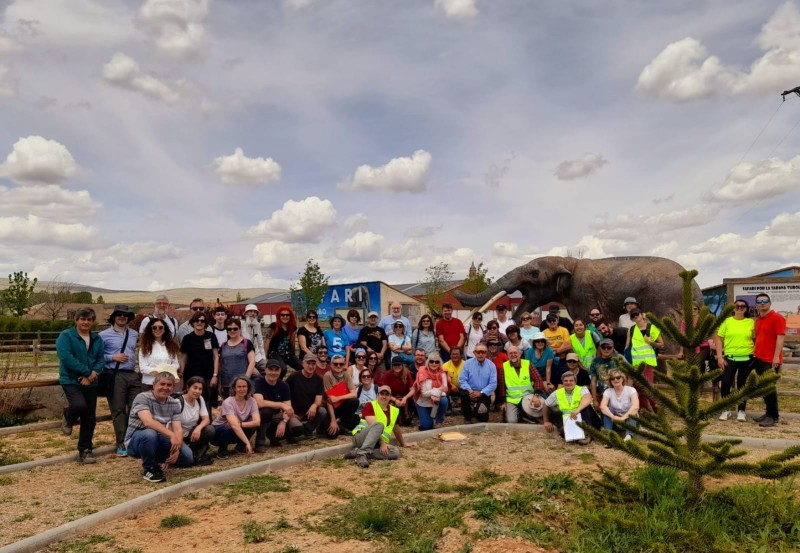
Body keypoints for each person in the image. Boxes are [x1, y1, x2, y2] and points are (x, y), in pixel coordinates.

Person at [125, 369, 192, 482]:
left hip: (159, 438)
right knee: (149, 434)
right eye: (162, 384)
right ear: (154, 385)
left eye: (169, 385)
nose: (165, 388)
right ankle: (149, 468)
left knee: (187, 457)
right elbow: (148, 422)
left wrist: (176, 449)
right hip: (136, 440)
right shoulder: (142, 397)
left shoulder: (174, 403)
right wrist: (172, 435)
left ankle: (160, 460)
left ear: (173, 387)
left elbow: (178, 429)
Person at [57, 307, 104, 464]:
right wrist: (86, 373)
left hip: (91, 381)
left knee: (89, 417)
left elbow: (100, 360)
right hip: (71, 380)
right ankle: (67, 415)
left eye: (89, 319)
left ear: (92, 321)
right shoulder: (66, 336)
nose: (86, 322)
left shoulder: (97, 339)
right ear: (76, 320)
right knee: (78, 405)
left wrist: (92, 375)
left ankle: (85, 450)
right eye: (83, 319)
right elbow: (66, 357)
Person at [99, 305, 140, 457]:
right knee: (118, 410)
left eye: (125, 315)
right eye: (119, 314)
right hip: (115, 374)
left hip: (132, 374)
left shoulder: (134, 334)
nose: (122, 317)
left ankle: (133, 439)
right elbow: (96, 356)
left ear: (129, 318)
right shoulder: (103, 335)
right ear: (114, 317)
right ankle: (121, 441)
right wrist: (112, 357)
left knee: (136, 408)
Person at [344, 385, 408, 468]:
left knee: (395, 452)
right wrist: (382, 442)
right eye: (382, 394)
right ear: (377, 395)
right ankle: (361, 454)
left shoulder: (394, 410)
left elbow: (396, 429)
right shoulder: (370, 405)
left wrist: (403, 443)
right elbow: (373, 426)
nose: (384, 396)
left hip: (376, 443)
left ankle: (359, 453)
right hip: (361, 438)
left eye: (386, 394)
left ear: (390, 397)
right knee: (379, 425)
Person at [715, 299, 755, 422]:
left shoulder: (751, 322)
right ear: (733, 308)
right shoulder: (727, 322)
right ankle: (726, 409)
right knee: (726, 383)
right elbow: (719, 339)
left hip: (747, 357)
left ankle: (741, 410)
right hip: (730, 358)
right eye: (737, 306)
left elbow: (756, 338)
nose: (739, 308)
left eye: (742, 306)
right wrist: (720, 357)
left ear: (746, 309)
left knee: (742, 385)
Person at [752, 293, 785, 428]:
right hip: (759, 358)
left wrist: (776, 357)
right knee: (763, 388)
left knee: (769, 388)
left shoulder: (777, 318)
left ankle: (773, 416)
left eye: (765, 301)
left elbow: (780, 338)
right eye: (759, 301)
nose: (762, 303)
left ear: (770, 303)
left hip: (771, 360)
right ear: (756, 305)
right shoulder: (758, 320)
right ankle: (768, 413)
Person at [253, 358, 299, 451]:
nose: (273, 373)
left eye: (276, 370)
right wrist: (281, 405)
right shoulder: (258, 382)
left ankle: (276, 437)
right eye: (270, 369)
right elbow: (260, 403)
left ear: (280, 371)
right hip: (262, 416)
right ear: (265, 370)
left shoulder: (284, 385)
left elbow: (289, 408)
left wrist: (284, 422)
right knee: (266, 411)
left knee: (297, 429)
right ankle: (259, 443)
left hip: (278, 416)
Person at [211, 376, 260, 458]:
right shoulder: (228, 402)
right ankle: (222, 450)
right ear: (234, 388)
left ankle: (240, 447)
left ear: (248, 388)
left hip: (237, 427)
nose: (242, 389)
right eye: (239, 387)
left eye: (244, 386)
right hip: (219, 432)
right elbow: (234, 425)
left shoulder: (252, 401)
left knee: (252, 422)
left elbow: (257, 422)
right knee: (230, 425)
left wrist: (240, 424)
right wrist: (247, 443)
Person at [285, 353, 332, 438]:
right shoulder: (294, 376)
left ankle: (307, 430)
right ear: (303, 364)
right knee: (297, 430)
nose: (311, 366)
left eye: (313, 364)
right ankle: (292, 432)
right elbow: (284, 394)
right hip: (293, 412)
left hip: (309, 412)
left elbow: (318, 399)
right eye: (308, 363)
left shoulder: (319, 379)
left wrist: (314, 406)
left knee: (322, 411)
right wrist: (290, 410)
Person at [179, 311, 220, 408]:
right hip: (191, 375)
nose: (199, 323)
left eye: (202, 321)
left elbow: (216, 357)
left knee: (207, 401)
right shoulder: (187, 338)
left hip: (208, 375)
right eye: (197, 320)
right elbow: (182, 359)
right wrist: (181, 375)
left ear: (206, 323)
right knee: (191, 400)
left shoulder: (211, 336)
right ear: (192, 322)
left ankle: (207, 421)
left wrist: (215, 375)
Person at [542, 371, 593, 445]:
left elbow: (587, 398)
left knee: (586, 408)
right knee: (563, 431)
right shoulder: (557, 393)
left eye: (571, 380)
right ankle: (576, 437)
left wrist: (577, 410)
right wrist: (546, 421)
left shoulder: (582, 389)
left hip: (583, 418)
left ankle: (587, 433)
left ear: (575, 382)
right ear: (562, 382)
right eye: (565, 381)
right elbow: (546, 404)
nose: (568, 382)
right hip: (568, 419)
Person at [498, 346, 546, 423]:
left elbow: (538, 379)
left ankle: (523, 415)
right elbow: (501, 385)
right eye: (510, 353)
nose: (513, 355)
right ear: (507, 355)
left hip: (528, 397)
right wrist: (503, 402)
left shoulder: (528, 363)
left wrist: (536, 396)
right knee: (511, 421)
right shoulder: (504, 366)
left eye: (515, 353)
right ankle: (521, 415)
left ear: (520, 354)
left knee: (536, 415)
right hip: (512, 399)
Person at [179, 376, 215, 465]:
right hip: (179, 436)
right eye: (194, 388)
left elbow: (206, 419)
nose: (197, 391)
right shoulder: (179, 401)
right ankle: (193, 454)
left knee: (210, 430)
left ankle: (194, 451)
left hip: (192, 434)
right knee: (188, 460)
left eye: (200, 389)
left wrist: (198, 428)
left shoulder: (199, 399)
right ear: (187, 387)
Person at [139, 317, 181, 391]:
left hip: (167, 384)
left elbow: (176, 364)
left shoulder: (171, 345)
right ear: (150, 329)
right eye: (154, 327)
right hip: (149, 384)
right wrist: (161, 371)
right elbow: (142, 368)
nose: (157, 329)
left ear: (164, 329)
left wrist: (167, 371)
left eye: (161, 327)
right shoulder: (144, 346)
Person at [458, 345, 497, 423]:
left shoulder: (491, 365)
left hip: (483, 393)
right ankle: (467, 417)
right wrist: (470, 391)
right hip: (469, 391)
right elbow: (462, 380)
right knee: (464, 394)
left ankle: (476, 411)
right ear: (474, 353)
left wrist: (481, 393)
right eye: (478, 352)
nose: (480, 354)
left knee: (483, 419)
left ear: (486, 353)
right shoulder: (467, 363)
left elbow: (493, 383)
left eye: (483, 352)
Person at [218, 318, 256, 399]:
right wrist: (219, 383)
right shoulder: (223, 345)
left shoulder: (246, 343)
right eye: (229, 329)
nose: (232, 331)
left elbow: (252, 362)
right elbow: (220, 364)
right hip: (226, 385)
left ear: (239, 329)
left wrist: (245, 379)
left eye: (235, 328)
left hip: (242, 385)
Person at [323, 352, 360, 434]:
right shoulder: (327, 376)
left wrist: (337, 398)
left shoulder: (346, 374)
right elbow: (329, 401)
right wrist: (333, 421)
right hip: (332, 408)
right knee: (332, 435)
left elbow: (354, 394)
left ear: (344, 365)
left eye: (341, 364)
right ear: (331, 365)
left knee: (355, 402)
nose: (338, 366)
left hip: (343, 407)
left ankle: (340, 421)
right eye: (336, 364)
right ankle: (341, 426)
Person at [625, 308, 663, 383]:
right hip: (635, 363)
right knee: (636, 386)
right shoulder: (631, 330)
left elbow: (661, 345)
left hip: (648, 363)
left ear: (642, 315)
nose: (635, 316)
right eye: (633, 316)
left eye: (637, 314)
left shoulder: (652, 327)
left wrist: (651, 342)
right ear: (632, 319)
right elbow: (626, 347)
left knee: (648, 387)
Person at [599, 369, 639, 442]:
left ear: (622, 379)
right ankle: (609, 434)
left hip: (628, 416)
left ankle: (628, 435)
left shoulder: (631, 390)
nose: (615, 380)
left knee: (633, 411)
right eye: (612, 378)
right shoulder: (608, 391)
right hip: (615, 416)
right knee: (607, 410)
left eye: (618, 377)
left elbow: (636, 406)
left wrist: (623, 418)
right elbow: (603, 406)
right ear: (610, 381)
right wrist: (613, 416)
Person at [414, 352, 449, 430]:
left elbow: (445, 389)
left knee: (444, 400)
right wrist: (439, 390)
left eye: (437, 362)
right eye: (431, 361)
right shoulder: (422, 372)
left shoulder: (442, 372)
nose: (434, 363)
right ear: (428, 362)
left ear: (439, 363)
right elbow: (423, 393)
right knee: (427, 427)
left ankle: (439, 420)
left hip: (436, 401)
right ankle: (426, 420)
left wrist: (434, 393)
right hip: (423, 402)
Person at [266, 307, 301, 375]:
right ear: (279, 316)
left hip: (288, 354)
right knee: (283, 369)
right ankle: (278, 383)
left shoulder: (292, 327)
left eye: (287, 315)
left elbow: (292, 340)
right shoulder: (273, 326)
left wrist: (293, 353)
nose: (285, 317)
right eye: (282, 315)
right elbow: (267, 341)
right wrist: (265, 356)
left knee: (302, 368)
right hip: (275, 354)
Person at [382, 358, 416, 426]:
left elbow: (413, 390)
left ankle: (409, 415)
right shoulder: (387, 374)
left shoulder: (407, 373)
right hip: (391, 398)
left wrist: (405, 398)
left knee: (406, 423)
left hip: (404, 399)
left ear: (402, 365)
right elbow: (384, 391)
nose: (397, 366)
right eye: (395, 365)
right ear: (392, 366)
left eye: (399, 365)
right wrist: (394, 400)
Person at [590, 338, 619, 411]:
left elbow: (630, 375)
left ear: (613, 348)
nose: (606, 349)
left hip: (619, 394)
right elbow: (593, 382)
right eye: (603, 347)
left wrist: (627, 391)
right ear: (600, 348)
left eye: (609, 347)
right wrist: (595, 400)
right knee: (606, 418)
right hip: (604, 395)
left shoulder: (619, 358)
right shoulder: (595, 361)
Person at [240, 304, 267, 373]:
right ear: (245, 313)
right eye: (250, 311)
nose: (252, 313)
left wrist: (263, 358)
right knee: (256, 374)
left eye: (254, 312)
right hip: (244, 357)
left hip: (257, 356)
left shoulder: (257, 325)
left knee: (268, 368)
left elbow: (260, 342)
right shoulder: (241, 324)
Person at [543, 313, 571, 379]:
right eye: (549, 321)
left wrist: (555, 351)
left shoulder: (564, 330)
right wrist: (560, 348)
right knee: (552, 379)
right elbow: (544, 348)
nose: (552, 322)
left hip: (562, 360)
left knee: (563, 379)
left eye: (553, 320)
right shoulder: (543, 333)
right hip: (549, 360)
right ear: (547, 322)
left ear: (557, 320)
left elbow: (568, 346)